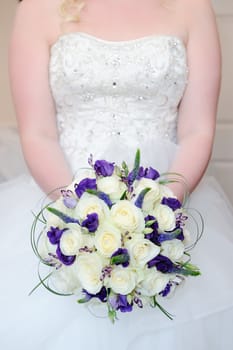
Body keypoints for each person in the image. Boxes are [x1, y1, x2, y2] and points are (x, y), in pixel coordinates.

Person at [1, 0, 233, 348]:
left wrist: (159, 214)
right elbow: (37, 133)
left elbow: (198, 130)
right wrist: (80, 216)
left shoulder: (193, 7)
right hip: (62, 198)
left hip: (169, 200)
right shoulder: (38, 8)